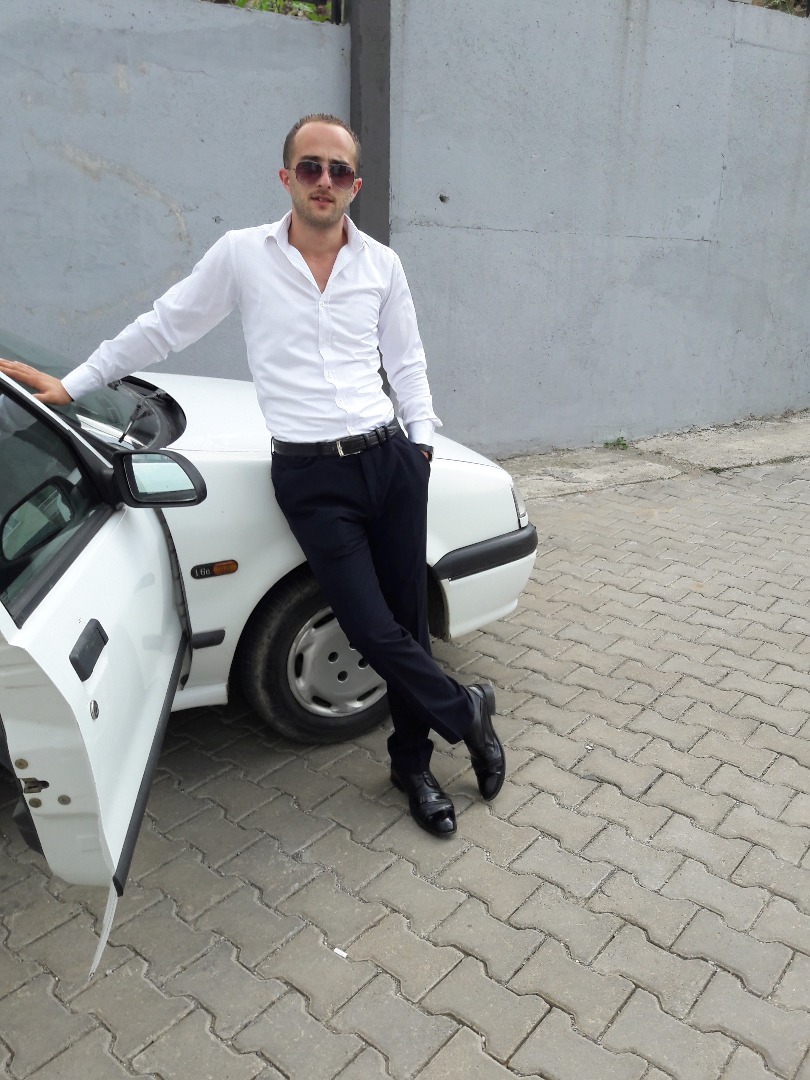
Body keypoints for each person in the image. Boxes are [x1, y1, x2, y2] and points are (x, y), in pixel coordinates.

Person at [0, 113, 505, 838]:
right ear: (286, 176)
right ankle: (468, 713)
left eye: (338, 170)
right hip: (311, 479)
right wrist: (75, 383)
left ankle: (413, 767)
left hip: (390, 463)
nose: (324, 180)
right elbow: (164, 325)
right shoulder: (243, 255)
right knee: (371, 630)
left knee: (408, 628)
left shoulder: (381, 265)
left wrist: (421, 449)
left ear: (355, 185)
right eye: (311, 167)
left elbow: (408, 363)